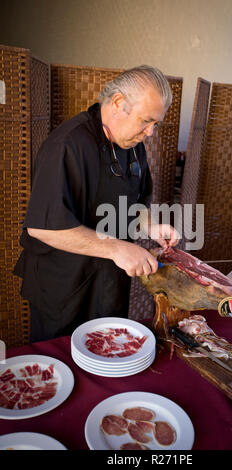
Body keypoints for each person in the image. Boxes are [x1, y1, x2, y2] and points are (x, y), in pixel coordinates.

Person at [14, 65, 180, 342]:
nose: (151, 133)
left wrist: (151, 226)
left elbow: (134, 203)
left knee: (109, 358)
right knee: (66, 370)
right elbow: (43, 228)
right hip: (65, 290)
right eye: (146, 121)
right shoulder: (67, 145)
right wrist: (116, 248)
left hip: (110, 284)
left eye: (156, 124)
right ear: (118, 103)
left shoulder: (133, 145)